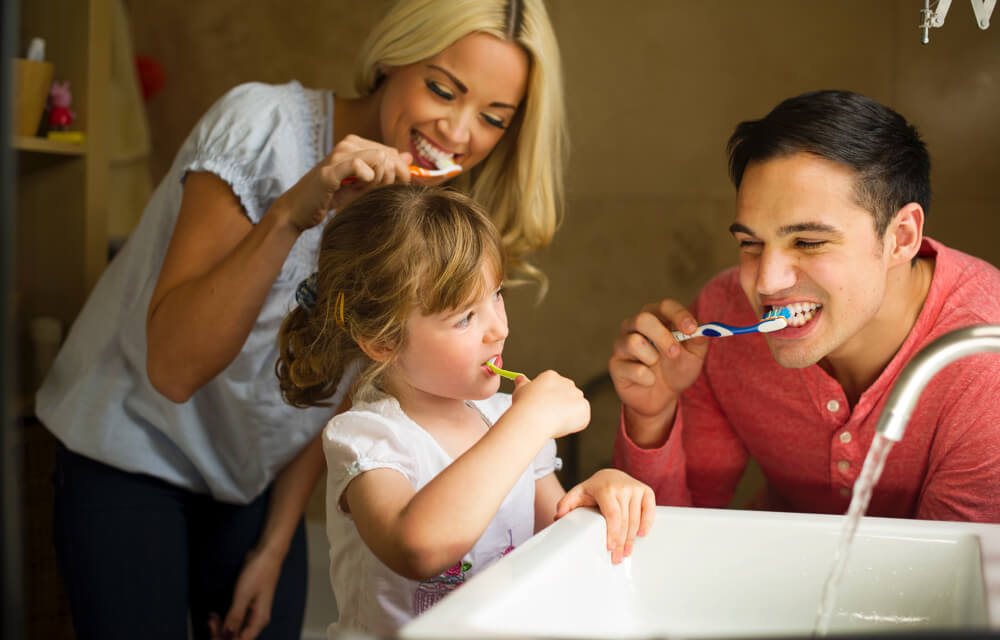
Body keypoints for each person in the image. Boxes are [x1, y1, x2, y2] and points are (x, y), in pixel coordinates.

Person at [34, 1, 568, 638]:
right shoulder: (260, 124)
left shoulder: (428, 207)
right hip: (130, 444)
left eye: (491, 117)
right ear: (394, 57)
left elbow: (343, 385)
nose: (456, 131)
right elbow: (173, 370)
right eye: (441, 88)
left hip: (253, 480)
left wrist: (275, 546)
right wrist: (292, 214)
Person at [276, 184, 655, 636]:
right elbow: (418, 547)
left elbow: (558, 544)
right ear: (382, 342)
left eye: (495, 295)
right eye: (464, 318)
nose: (498, 328)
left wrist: (599, 493)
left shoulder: (504, 419)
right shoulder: (367, 438)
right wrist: (529, 422)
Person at [609, 89, 1000, 523]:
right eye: (751, 244)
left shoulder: (984, 359)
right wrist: (652, 415)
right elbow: (674, 540)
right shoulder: (724, 313)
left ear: (901, 238)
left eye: (809, 242)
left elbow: (947, 580)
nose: (766, 283)